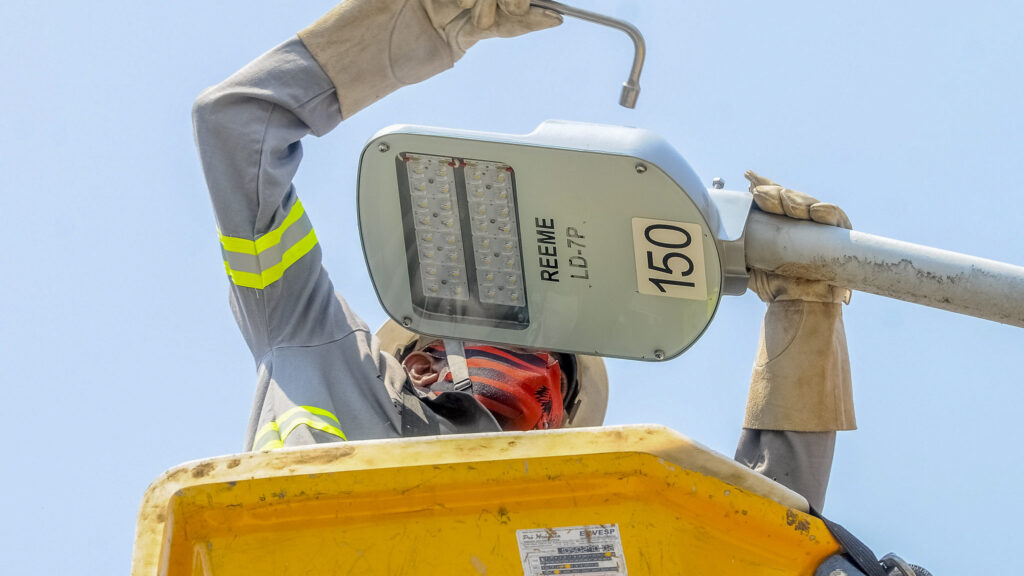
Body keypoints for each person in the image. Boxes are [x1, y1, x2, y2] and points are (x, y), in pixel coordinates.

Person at [192, 0, 855, 513]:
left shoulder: (572, 529)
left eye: (561, 385)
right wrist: (439, 17)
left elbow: (769, 531)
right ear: (423, 360)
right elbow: (237, 125)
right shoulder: (321, 356)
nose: (551, 392)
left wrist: (807, 307)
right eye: (534, 348)